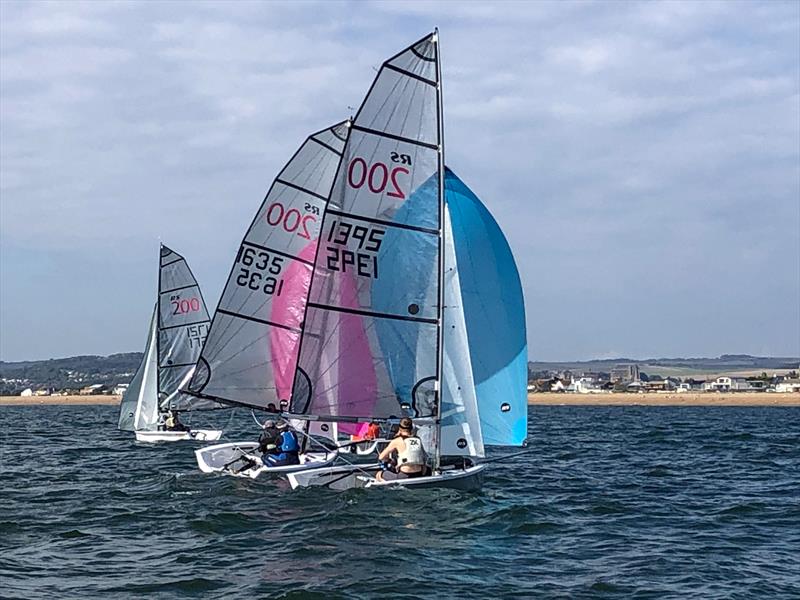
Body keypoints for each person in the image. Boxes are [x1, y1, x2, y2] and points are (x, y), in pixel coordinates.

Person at [375, 417, 426, 481]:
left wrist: (390, 461)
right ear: (411, 428)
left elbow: (381, 457)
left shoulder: (397, 441)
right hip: (419, 474)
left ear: (399, 428)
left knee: (379, 474)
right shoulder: (418, 439)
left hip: (404, 475)